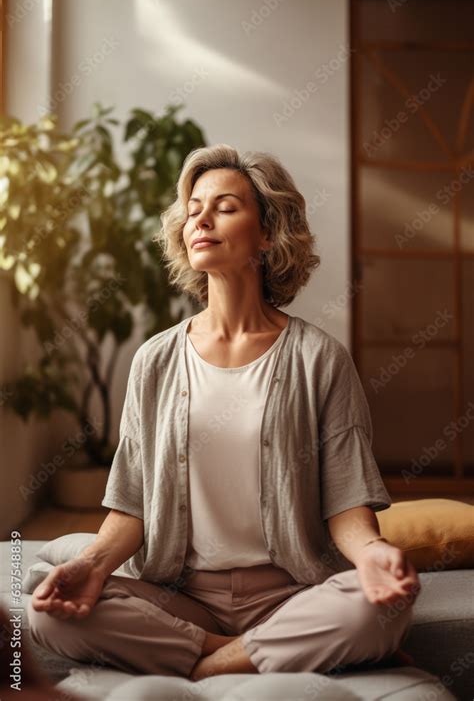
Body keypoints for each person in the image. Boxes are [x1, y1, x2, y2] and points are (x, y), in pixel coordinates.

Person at [27, 144, 421, 681]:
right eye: (192, 210)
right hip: (181, 595)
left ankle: (204, 661)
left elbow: (348, 502)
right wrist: (92, 565)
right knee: (50, 617)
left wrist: (373, 554)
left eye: (226, 207)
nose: (201, 220)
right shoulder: (155, 360)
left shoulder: (318, 358)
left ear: (267, 233)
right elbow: (131, 508)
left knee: (380, 606)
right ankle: (241, 651)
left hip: (292, 592)